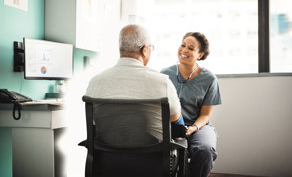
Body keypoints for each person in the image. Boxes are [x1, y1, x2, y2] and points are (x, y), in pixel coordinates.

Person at [85, 24, 185, 174]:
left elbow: (95, 124)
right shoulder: (162, 82)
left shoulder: (95, 82)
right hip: (154, 165)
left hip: (107, 163)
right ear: (145, 49)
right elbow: (177, 124)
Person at [161, 32, 222, 177]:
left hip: (198, 126)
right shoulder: (164, 75)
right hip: (170, 125)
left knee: (205, 150)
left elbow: (205, 115)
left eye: (191, 48)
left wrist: (193, 128)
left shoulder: (209, 79)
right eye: (183, 45)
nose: (184, 50)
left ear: (200, 55)